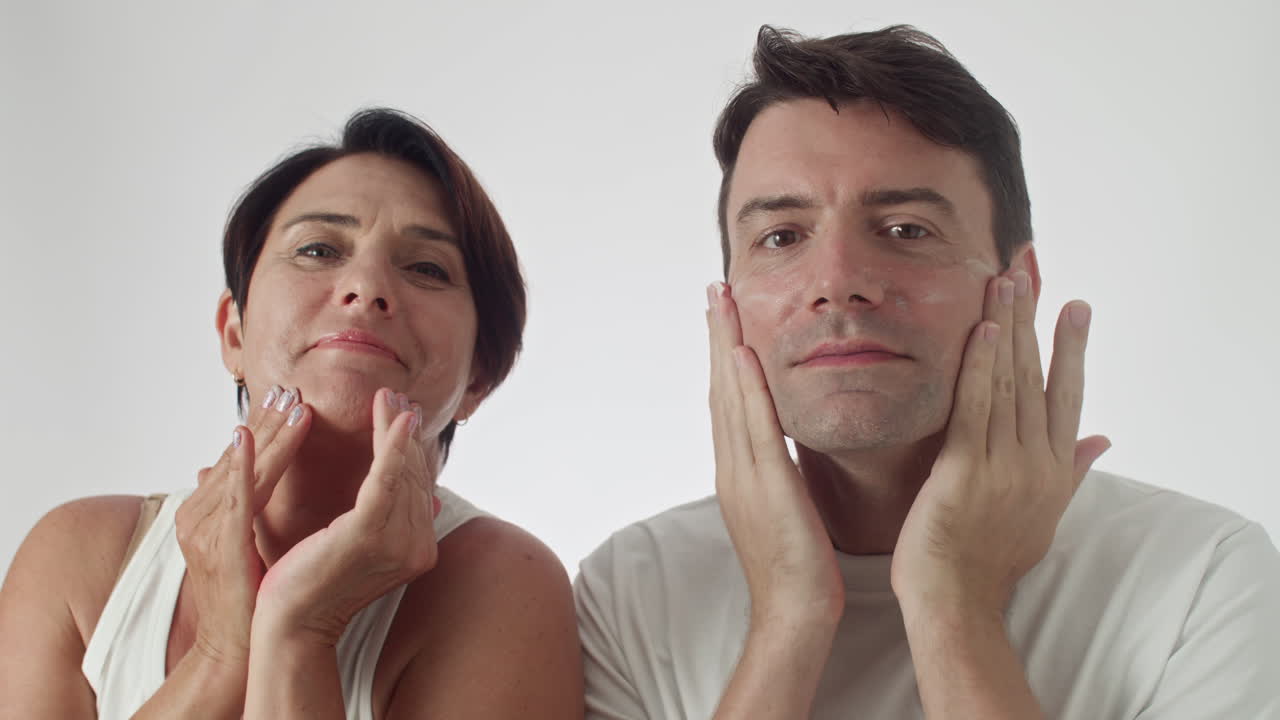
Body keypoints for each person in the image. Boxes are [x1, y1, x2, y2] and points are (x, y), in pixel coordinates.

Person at [574, 25, 1280, 720]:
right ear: (726, 299)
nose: (839, 282)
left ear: (1018, 284)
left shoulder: (1200, 577)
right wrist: (789, 616)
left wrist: (955, 607)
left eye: (907, 230)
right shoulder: (634, 592)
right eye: (781, 237)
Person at [0, 108, 583, 719]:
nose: (366, 286)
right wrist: (222, 652)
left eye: (426, 268)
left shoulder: (503, 588)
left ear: (479, 378)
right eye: (318, 249)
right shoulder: (81, 562)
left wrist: (301, 630)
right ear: (233, 331)